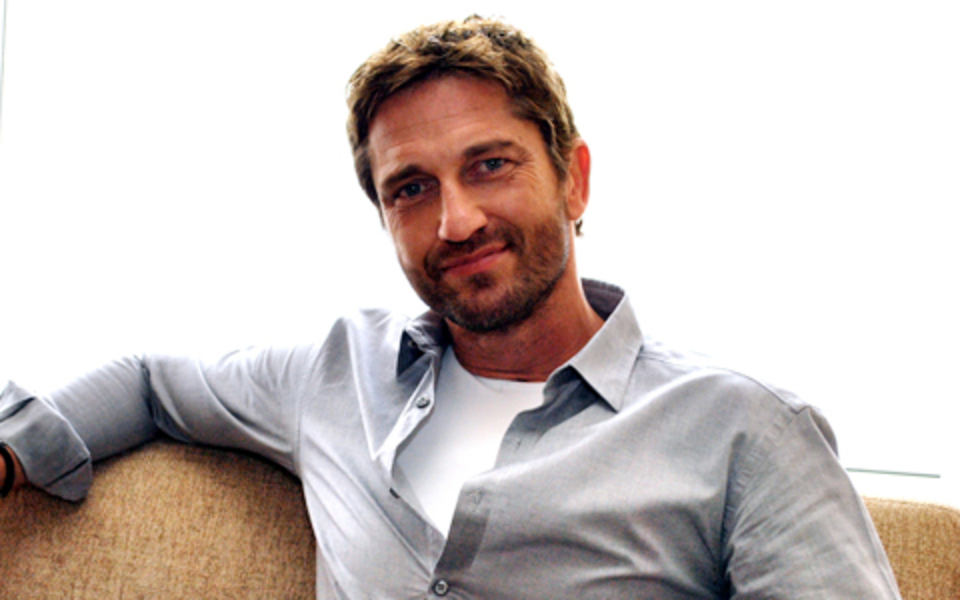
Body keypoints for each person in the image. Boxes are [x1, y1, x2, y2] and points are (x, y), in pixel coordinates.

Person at [0, 16, 901, 599]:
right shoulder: (333, 375)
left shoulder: (746, 429)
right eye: (412, 189)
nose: (456, 220)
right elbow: (150, 382)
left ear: (574, 178)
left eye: (490, 165)